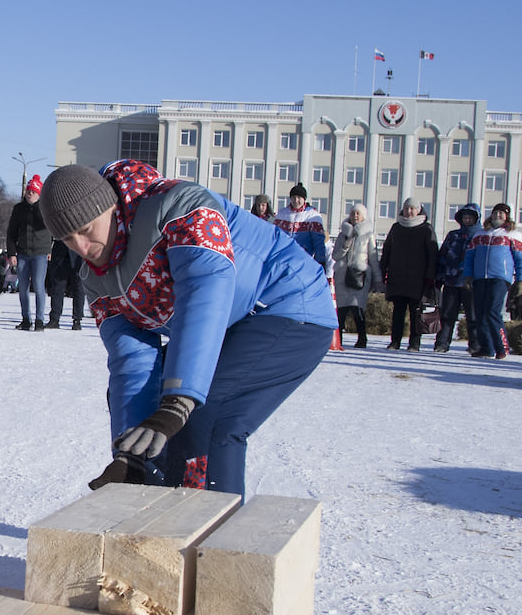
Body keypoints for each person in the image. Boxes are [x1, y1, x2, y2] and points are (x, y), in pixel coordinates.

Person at [40, 161, 336, 501]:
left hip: (286, 302)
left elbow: (205, 293)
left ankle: (209, 536)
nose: (81, 246)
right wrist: (130, 454)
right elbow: (132, 355)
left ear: (109, 207)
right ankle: (156, 514)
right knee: (154, 416)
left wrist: (180, 399)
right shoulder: (94, 276)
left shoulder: (179, 207)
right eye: (67, 238)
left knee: (205, 413)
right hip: (231, 324)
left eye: (87, 229)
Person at [464, 202, 522, 359]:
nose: (497, 216)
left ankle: (502, 347)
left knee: (492, 311)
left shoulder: (513, 235)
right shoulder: (480, 234)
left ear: (507, 216)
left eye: (501, 214)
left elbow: (521, 260)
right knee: (480, 312)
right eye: (495, 213)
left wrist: (521, 280)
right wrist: (468, 274)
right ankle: (486, 347)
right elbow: (470, 256)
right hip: (480, 278)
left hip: (500, 278)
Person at [380, 198, 437, 351]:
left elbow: (433, 255)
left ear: (419, 210)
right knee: (398, 311)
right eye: (407, 208)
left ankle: (414, 343)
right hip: (397, 277)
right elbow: (386, 252)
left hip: (418, 279)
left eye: (413, 208)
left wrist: (430, 278)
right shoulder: (396, 228)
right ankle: (395, 341)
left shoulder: (426, 229)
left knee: (416, 313)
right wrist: (383, 271)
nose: (409, 212)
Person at [432, 204, 483, 354]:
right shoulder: (453, 235)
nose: (467, 219)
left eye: (470, 217)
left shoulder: (480, 236)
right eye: (464, 217)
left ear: (476, 218)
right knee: (447, 314)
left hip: (470, 283)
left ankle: (475, 344)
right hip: (451, 281)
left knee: (473, 316)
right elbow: (443, 256)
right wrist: (439, 276)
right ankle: (442, 342)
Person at [6, 174, 53, 331]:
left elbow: (47, 227)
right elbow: (11, 232)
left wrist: (48, 250)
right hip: (23, 253)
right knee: (23, 287)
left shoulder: (45, 208)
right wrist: (11, 253)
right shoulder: (19, 209)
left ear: (39, 193)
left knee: (39, 286)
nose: (29, 193)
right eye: (28, 191)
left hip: (40, 253)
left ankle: (40, 320)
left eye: (33, 191)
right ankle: (26, 318)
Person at [331, 203, 380, 348]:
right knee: (341, 310)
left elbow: (373, 258)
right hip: (342, 276)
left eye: (358, 213)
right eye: (353, 213)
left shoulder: (368, 235)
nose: (355, 216)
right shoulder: (342, 234)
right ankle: (338, 339)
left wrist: (378, 279)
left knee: (357, 309)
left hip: (360, 276)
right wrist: (345, 245)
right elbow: (335, 255)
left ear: (363, 216)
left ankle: (362, 338)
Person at [273, 183, 327, 266]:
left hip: (304, 259)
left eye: (299, 198)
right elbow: (275, 236)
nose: (296, 200)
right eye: (293, 197)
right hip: (284, 258)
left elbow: (318, 242)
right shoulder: (282, 214)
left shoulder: (312, 216)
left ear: (304, 199)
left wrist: (320, 261)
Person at [45, 239, 85, 330]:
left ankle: (77, 320)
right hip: (60, 251)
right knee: (57, 288)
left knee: (78, 288)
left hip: (78, 250)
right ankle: (54, 319)